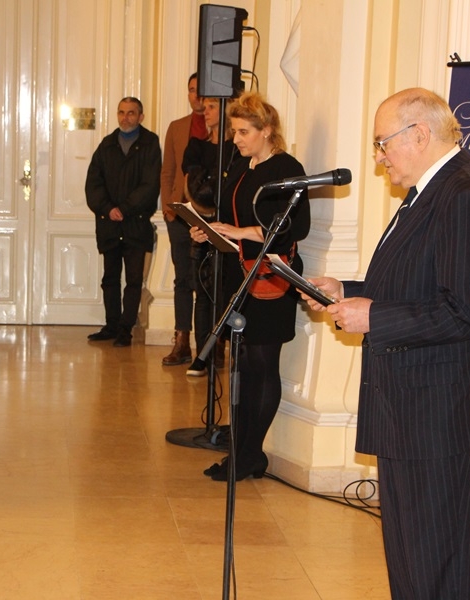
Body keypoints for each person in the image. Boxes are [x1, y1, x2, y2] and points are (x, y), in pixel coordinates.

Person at [301, 88, 470, 599]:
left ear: (419, 134)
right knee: (415, 559)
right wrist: (348, 291)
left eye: (382, 143)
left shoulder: (466, 193)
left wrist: (373, 317)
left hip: (439, 411)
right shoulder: (433, 189)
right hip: (414, 405)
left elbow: (467, 309)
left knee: (434, 562)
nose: (379, 157)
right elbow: (418, 285)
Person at [190, 92, 310, 481]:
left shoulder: (287, 168)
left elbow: (294, 227)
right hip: (240, 274)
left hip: (271, 277)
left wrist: (239, 232)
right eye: (235, 131)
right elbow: (232, 216)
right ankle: (242, 452)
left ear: (267, 130)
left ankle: (250, 454)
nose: (236, 139)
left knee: (262, 366)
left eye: (244, 131)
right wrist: (211, 231)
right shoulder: (243, 167)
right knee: (242, 367)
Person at [85, 97, 161, 347]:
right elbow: (93, 184)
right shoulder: (106, 145)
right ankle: (111, 325)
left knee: (134, 279)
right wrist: (108, 209)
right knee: (110, 278)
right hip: (109, 224)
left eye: (131, 113)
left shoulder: (150, 143)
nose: (125, 118)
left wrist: (125, 209)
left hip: (136, 223)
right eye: (121, 112)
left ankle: (126, 329)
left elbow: (150, 185)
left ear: (141, 117)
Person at [181, 96, 237, 376]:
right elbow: (194, 189)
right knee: (202, 294)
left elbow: (229, 191)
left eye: (213, 106)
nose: (205, 111)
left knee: (225, 292)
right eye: (205, 107)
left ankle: (220, 350)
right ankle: (201, 355)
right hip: (201, 226)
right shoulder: (196, 147)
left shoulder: (235, 150)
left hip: (229, 230)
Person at [159, 74, 206, 366]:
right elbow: (167, 171)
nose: (196, 96)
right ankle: (181, 340)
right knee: (183, 280)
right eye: (191, 90)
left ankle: (209, 343)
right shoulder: (177, 127)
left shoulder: (223, 128)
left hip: (208, 216)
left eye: (200, 91)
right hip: (178, 214)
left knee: (206, 280)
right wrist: (168, 207)